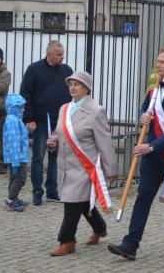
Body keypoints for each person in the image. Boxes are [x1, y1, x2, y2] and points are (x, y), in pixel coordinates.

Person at [108, 46, 164, 260]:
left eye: (162, 61)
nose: (158, 65)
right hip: (152, 155)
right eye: (158, 61)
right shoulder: (154, 87)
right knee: (143, 197)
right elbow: (145, 108)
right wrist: (142, 118)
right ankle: (131, 244)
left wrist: (152, 145)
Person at [46, 71, 117, 256]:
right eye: (70, 84)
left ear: (86, 88)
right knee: (83, 202)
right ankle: (100, 227)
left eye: (77, 84)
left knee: (71, 202)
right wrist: (53, 140)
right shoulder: (64, 108)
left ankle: (67, 241)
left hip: (85, 167)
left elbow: (105, 142)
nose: (72, 87)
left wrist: (111, 170)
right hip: (66, 166)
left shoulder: (96, 110)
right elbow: (60, 132)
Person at [20, 41, 73, 205]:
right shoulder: (33, 69)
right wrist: (29, 118)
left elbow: (73, 93)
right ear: (49, 54)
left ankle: (52, 190)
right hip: (40, 121)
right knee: (38, 156)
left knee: (55, 157)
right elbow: (25, 94)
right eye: (59, 54)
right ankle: (37, 191)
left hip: (60, 120)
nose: (62, 57)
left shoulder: (67, 71)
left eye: (63, 54)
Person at [3, 94, 29, 212]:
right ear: (14, 107)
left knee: (14, 178)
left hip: (18, 156)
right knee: (20, 178)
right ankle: (10, 200)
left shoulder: (15, 120)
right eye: (21, 107)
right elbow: (13, 142)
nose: (23, 109)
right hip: (18, 157)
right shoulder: (13, 121)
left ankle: (13, 198)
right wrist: (16, 161)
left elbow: (19, 137)